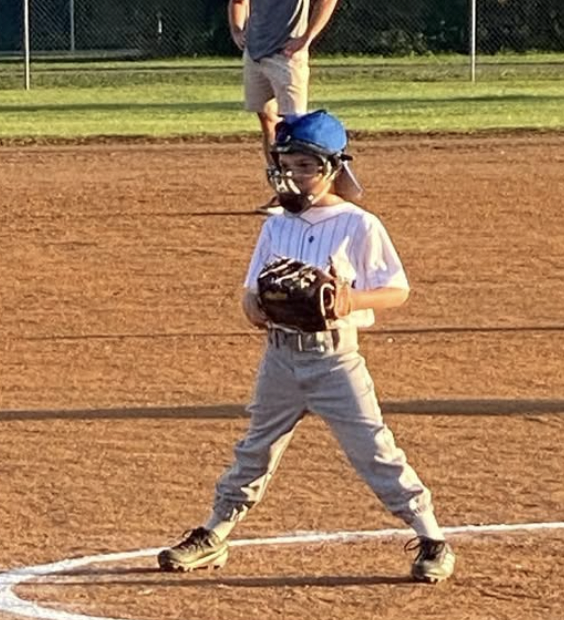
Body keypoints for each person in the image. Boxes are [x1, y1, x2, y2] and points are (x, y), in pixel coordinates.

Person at [158, 110, 455, 585]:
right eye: (286, 165)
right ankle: (216, 534)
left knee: (373, 449)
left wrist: (350, 299)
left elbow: (397, 289)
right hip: (280, 356)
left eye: (304, 166)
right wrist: (252, 306)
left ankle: (432, 537)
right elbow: (250, 290)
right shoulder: (276, 225)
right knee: (255, 447)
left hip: (335, 358)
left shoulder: (359, 225)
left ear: (332, 168)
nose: (292, 176)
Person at [228, 0, 340, 212]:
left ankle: (312, 192)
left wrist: (306, 38)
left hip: (287, 55)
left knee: (295, 126)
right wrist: (236, 29)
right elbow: (238, 2)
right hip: (255, 54)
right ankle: (283, 191)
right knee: (267, 120)